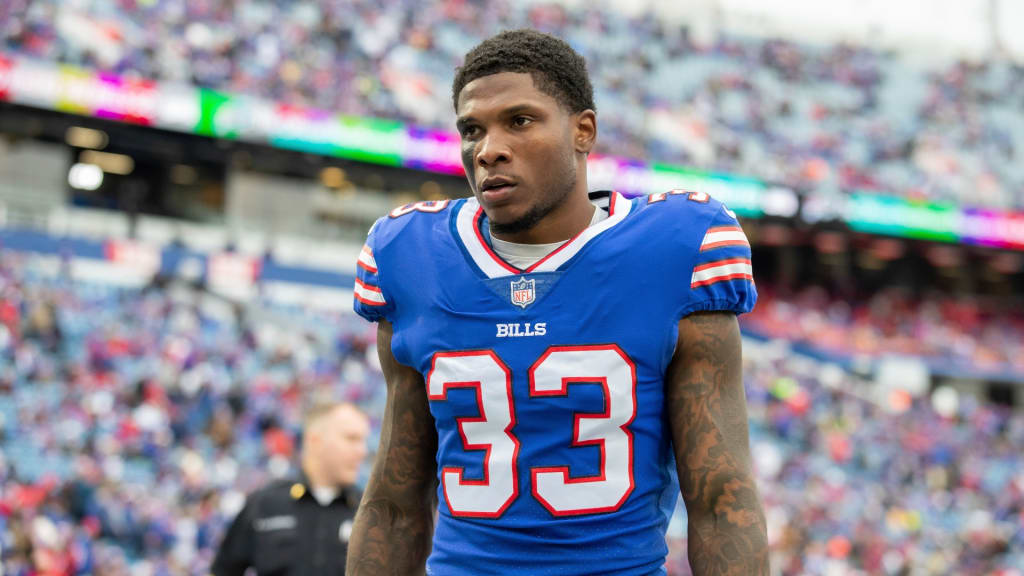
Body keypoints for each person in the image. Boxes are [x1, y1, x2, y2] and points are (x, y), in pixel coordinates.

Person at [347, 29, 769, 576]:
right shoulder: (410, 257)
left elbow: (721, 500)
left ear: (583, 131)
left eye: (519, 121)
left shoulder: (676, 246)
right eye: (472, 129)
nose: (488, 148)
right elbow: (394, 505)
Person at [211, 402, 370, 576]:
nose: (361, 451)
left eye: (363, 441)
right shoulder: (265, 504)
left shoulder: (369, 513)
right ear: (315, 440)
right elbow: (223, 570)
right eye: (351, 439)